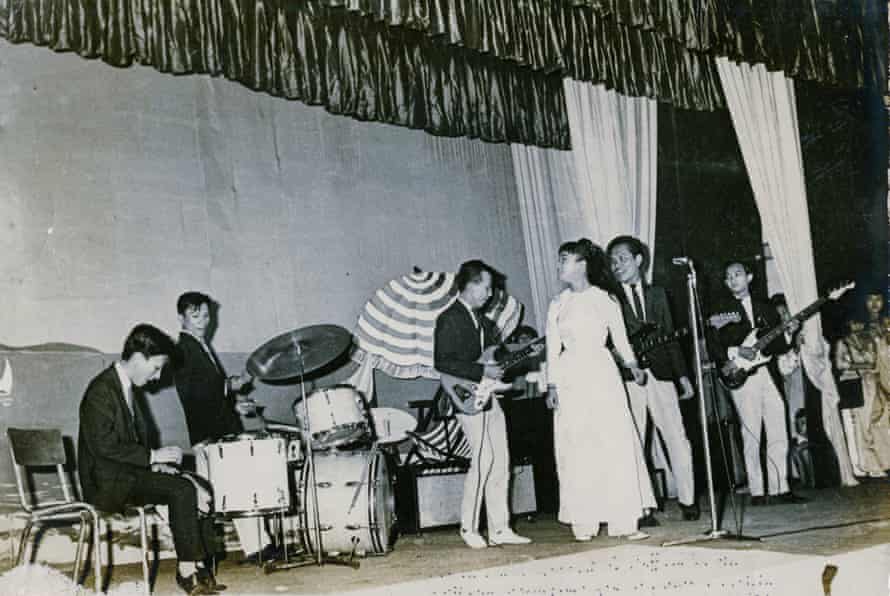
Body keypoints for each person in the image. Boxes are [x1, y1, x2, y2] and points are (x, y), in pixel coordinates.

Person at [78, 324, 222, 595]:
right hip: (106, 482)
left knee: (197, 484)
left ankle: (201, 564)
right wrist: (153, 456)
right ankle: (186, 571)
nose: (157, 377)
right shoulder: (100, 390)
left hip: (126, 474)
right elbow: (103, 446)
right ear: (138, 358)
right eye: (155, 368)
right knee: (181, 489)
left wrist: (155, 465)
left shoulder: (125, 389)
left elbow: (127, 447)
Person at [546, 239, 655, 541]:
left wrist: (633, 364)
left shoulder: (604, 299)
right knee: (577, 445)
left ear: (582, 264)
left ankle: (624, 520)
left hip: (602, 373)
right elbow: (551, 349)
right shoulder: (558, 304)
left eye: (564, 259)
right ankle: (584, 519)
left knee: (613, 440)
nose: (559, 266)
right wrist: (551, 384)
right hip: (570, 378)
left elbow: (620, 338)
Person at [434, 260, 531, 549]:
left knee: (501, 459)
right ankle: (469, 526)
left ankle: (500, 527)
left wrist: (505, 365)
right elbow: (442, 361)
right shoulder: (449, 318)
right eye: (486, 287)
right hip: (464, 396)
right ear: (470, 284)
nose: (490, 293)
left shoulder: (485, 323)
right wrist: (481, 373)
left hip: (488, 396)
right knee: (483, 458)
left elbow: (491, 361)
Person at [173, 291, 275, 563]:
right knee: (228, 492)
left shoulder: (199, 346)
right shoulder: (183, 349)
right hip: (210, 436)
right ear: (181, 317)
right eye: (196, 315)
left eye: (206, 315)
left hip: (218, 431)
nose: (203, 321)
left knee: (241, 487)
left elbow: (210, 395)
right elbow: (196, 394)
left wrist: (234, 404)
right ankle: (246, 550)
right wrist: (231, 385)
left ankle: (259, 547)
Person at [606, 236, 699, 523]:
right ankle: (642, 507)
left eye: (622, 258)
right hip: (629, 380)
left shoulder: (658, 295)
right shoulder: (610, 299)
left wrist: (682, 375)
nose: (616, 264)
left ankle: (688, 499)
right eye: (613, 261)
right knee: (635, 442)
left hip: (662, 376)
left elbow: (671, 339)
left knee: (677, 438)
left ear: (638, 260)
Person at [709, 261, 805, 505]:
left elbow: (778, 345)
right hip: (743, 376)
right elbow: (714, 343)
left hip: (768, 374)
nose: (733, 280)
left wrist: (789, 333)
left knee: (778, 431)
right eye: (728, 277)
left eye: (738, 274)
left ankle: (780, 487)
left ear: (749, 277)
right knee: (751, 433)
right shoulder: (721, 310)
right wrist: (735, 351)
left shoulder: (766, 308)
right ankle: (757, 491)